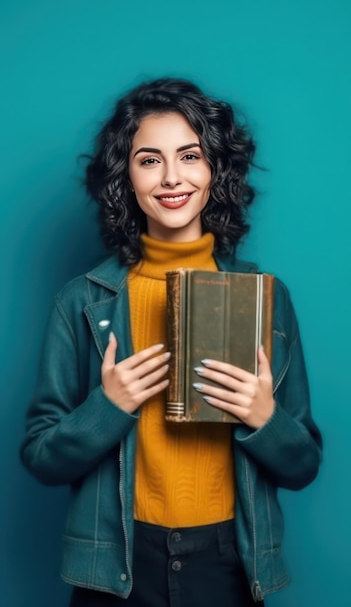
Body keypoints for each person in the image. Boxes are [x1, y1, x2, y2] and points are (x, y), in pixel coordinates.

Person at [21, 78, 322, 607]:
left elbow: (303, 466)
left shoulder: (266, 299)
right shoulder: (82, 302)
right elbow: (42, 459)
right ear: (126, 177)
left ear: (214, 172)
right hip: (115, 565)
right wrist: (107, 407)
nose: (172, 177)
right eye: (149, 160)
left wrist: (264, 417)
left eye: (190, 155)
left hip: (229, 564)